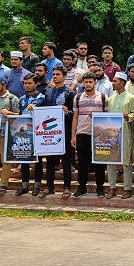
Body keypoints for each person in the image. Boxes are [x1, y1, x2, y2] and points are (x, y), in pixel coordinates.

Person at [71, 73, 108, 198]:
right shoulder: (78, 97)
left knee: (99, 162)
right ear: (83, 83)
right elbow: (75, 117)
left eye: (90, 82)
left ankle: (100, 188)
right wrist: (73, 135)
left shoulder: (103, 97)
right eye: (85, 82)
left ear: (95, 82)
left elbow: (107, 117)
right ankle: (81, 188)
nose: (87, 84)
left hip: (98, 134)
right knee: (82, 162)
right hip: (82, 133)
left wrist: (98, 117)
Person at [43, 66, 75, 197]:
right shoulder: (48, 92)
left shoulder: (70, 93)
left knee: (65, 159)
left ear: (64, 76)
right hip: (50, 130)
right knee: (50, 158)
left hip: (65, 128)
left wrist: (68, 112)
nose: (55, 76)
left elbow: (74, 112)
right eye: (53, 74)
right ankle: (49, 186)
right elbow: (44, 109)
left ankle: (67, 187)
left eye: (57, 74)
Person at [106, 72, 134, 199]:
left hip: (125, 133)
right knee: (110, 161)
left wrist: (128, 117)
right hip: (112, 134)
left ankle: (127, 188)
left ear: (122, 83)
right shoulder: (111, 99)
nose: (113, 83)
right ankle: (112, 187)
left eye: (115, 81)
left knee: (126, 161)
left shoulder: (131, 98)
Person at [16, 73, 45, 196]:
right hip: (24, 133)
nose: (27, 86)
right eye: (25, 83)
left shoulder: (43, 98)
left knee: (37, 160)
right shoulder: (21, 99)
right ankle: (24, 185)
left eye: (30, 83)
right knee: (24, 158)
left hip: (38, 132)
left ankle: (37, 185)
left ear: (36, 83)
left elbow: (46, 115)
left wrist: (37, 110)